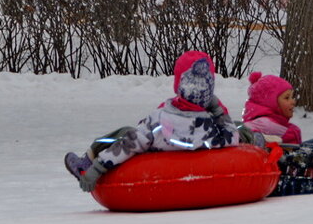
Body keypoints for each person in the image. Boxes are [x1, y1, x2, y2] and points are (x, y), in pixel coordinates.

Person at [63, 50, 250, 192]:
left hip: (154, 155)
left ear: (178, 85)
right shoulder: (213, 130)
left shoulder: (159, 121)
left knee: (124, 133)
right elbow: (232, 134)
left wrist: (97, 169)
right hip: (201, 150)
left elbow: (130, 143)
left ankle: (87, 161)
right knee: (239, 126)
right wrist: (217, 111)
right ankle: (257, 140)